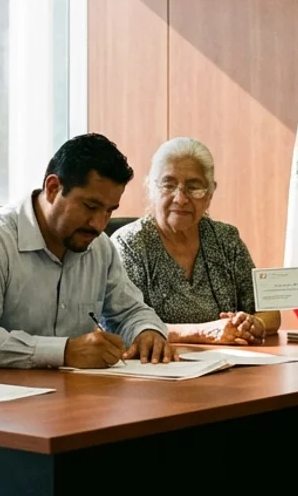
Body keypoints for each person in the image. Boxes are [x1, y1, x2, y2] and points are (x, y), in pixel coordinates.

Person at [0, 133, 176, 370]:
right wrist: (64, 352)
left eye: (109, 211)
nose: (99, 224)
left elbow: (131, 311)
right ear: (53, 187)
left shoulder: (99, 247)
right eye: (90, 206)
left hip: (63, 391)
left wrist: (147, 332)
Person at [112, 137, 281, 345]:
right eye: (169, 185)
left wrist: (253, 323)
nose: (181, 198)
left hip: (230, 363)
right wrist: (203, 332)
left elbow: (269, 310)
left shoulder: (225, 239)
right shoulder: (130, 244)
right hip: (160, 366)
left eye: (194, 187)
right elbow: (123, 323)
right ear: (151, 188)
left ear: (210, 194)